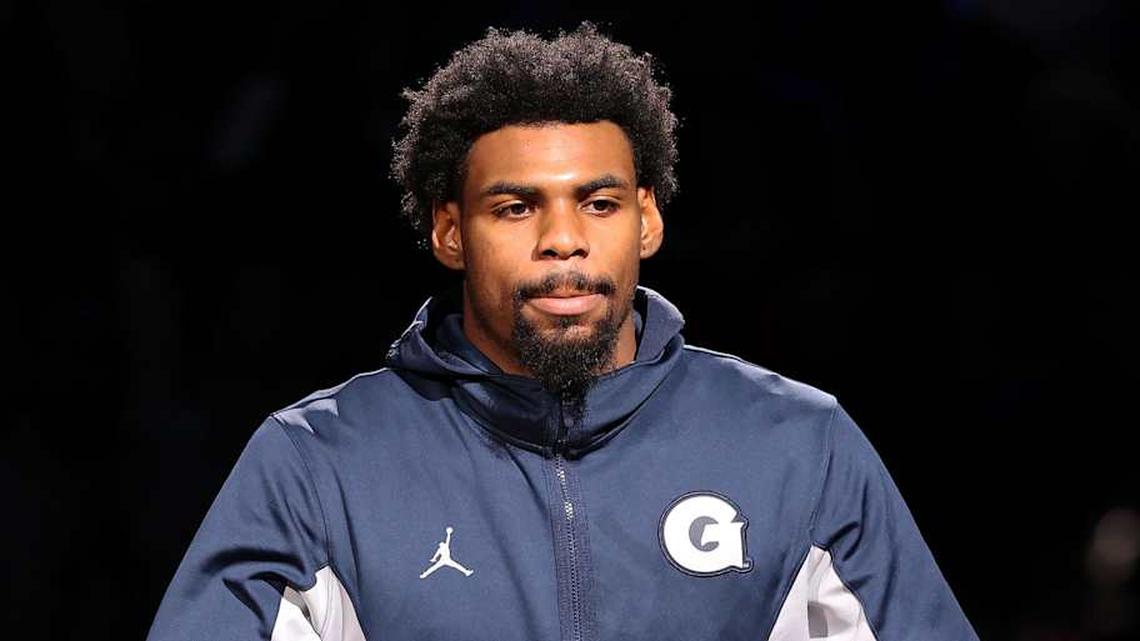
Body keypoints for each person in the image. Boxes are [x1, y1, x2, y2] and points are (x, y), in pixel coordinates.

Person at [145, 21, 980, 641]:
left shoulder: (799, 446)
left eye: (599, 202)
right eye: (516, 207)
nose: (564, 239)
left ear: (646, 220)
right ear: (449, 231)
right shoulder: (316, 466)